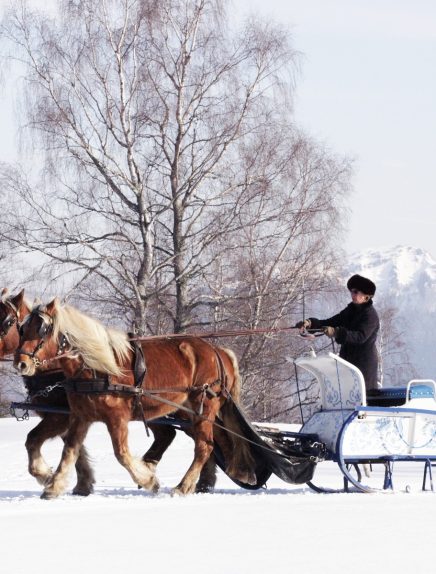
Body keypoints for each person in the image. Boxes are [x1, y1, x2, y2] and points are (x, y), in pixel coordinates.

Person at [296, 274, 380, 391]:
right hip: (347, 361)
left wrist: (337, 332)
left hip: (363, 365)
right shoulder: (350, 311)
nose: (352, 294)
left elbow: (360, 337)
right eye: (352, 291)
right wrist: (310, 323)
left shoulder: (370, 316)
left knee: (364, 399)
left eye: (356, 292)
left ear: (366, 297)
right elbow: (331, 322)